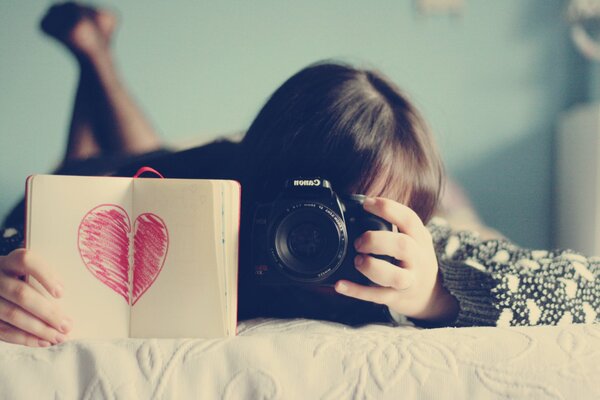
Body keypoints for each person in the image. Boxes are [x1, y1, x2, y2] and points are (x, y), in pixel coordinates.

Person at [0, 3, 598, 348]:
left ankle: (93, 52)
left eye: (351, 214)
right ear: (258, 182)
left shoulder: (399, 249)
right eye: (305, 211)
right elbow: (38, 224)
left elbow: (586, 285)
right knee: (84, 175)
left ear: (404, 216)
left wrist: (437, 295)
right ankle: (94, 54)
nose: (318, 235)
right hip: (174, 171)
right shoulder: (213, 192)